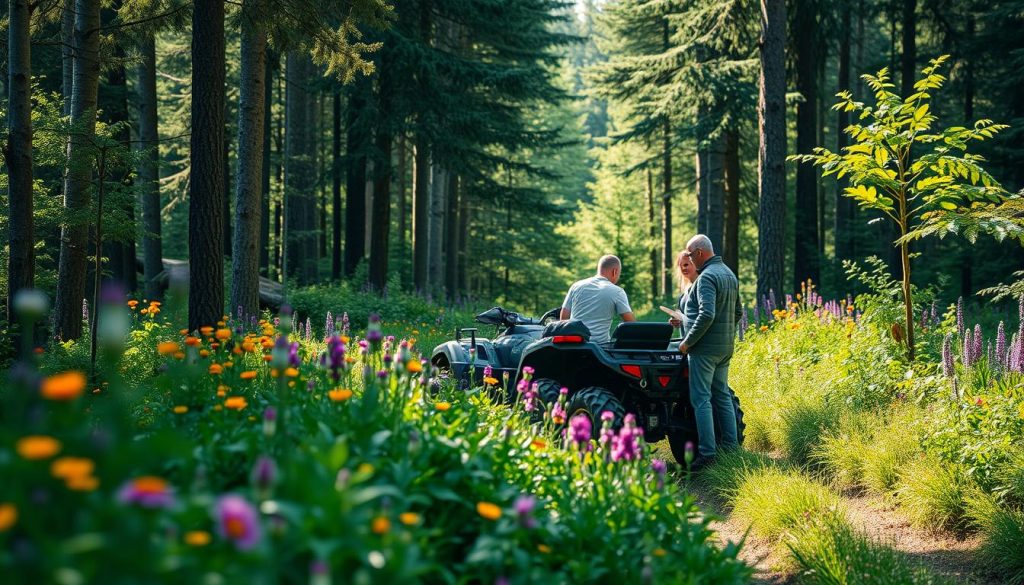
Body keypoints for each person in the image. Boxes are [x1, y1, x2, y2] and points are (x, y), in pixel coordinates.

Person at [677, 235, 742, 470]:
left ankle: (707, 453)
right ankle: (732, 449)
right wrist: (725, 335)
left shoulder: (706, 278)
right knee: (722, 396)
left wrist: (687, 342)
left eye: (691, 255)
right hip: (725, 347)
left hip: (703, 350)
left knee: (701, 399)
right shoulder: (729, 274)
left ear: (700, 253)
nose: (691, 260)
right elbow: (738, 313)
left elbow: (707, 314)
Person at [560, 255, 636, 345]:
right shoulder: (617, 291)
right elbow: (631, 324)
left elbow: (564, 317)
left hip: (576, 345)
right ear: (615, 272)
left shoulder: (576, 286)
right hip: (600, 347)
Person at [668, 251, 698, 330]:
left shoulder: (701, 286)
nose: (683, 268)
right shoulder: (685, 290)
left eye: (686, 265)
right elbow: (685, 315)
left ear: (694, 263)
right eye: (680, 266)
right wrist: (676, 320)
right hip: (686, 339)